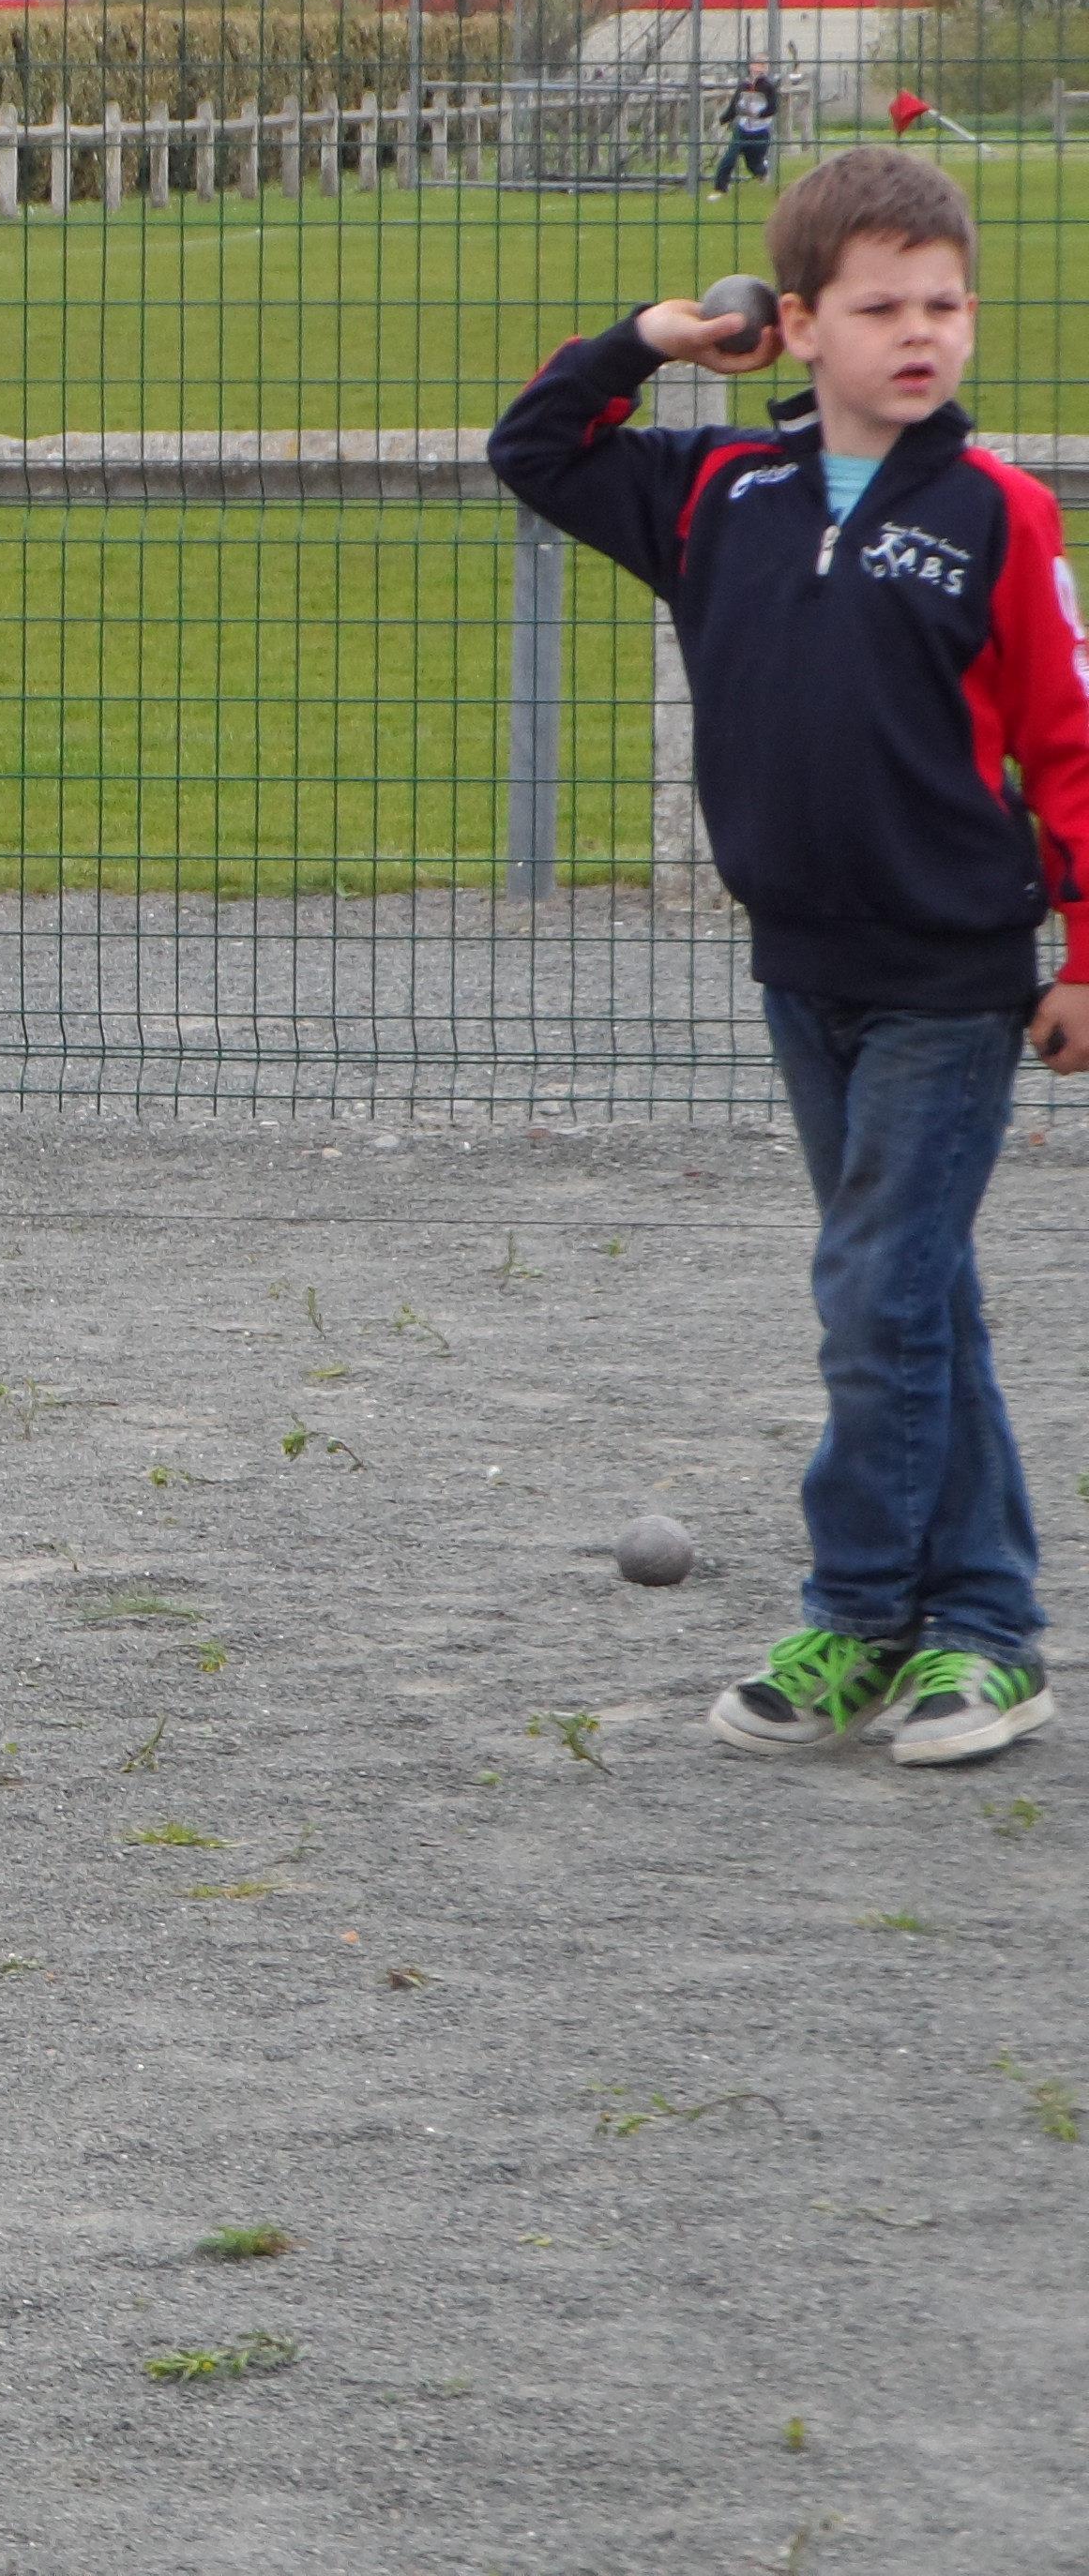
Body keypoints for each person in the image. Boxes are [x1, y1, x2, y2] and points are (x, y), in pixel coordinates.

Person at [490, 147, 1074, 1769]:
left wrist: (1082, 948)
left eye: (946, 304)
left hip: (957, 975)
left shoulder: (996, 514)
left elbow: (1068, 742)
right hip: (799, 969)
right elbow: (534, 448)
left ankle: (864, 1616)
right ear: (799, 325)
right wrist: (654, 342)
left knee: (876, 1293)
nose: (922, 333)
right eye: (880, 305)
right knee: (917, 1305)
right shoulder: (717, 496)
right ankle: (989, 1632)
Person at [709, 57, 779, 195]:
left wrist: (758, 114)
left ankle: (762, 172)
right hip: (742, 130)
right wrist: (721, 121)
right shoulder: (743, 86)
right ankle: (720, 188)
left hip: (760, 131)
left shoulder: (768, 87)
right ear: (751, 67)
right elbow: (734, 107)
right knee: (729, 159)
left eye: (762, 65)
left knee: (753, 164)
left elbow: (773, 108)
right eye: (756, 65)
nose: (758, 68)